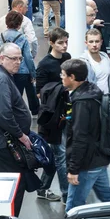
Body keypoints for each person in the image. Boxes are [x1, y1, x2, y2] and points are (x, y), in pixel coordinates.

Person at [62, 59, 110, 212]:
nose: (61, 78)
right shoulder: (93, 92)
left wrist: (74, 169)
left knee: (73, 208)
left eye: (63, 75)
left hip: (86, 164)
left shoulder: (82, 103)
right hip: (98, 158)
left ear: (72, 77)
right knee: (108, 196)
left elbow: (80, 138)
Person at [0, 43, 32, 216]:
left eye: (20, 58)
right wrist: (21, 135)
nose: (18, 62)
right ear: (2, 58)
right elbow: (3, 114)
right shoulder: (0, 78)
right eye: (13, 59)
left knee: (8, 185)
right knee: (14, 187)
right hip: (2, 142)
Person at [80, 29, 110, 190]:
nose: (94, 44)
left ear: (101, 42)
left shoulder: (106, 57)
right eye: (91, 42)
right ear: (86, 43)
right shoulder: (84, 61)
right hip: (93, 108)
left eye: (97, 41)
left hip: (109, 105)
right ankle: (90, 178)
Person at [35, 27, 71, 203]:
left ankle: (43, 188)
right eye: (60, 43)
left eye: (66, 42)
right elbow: (40, 93)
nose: (64, 46)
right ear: (51, 43)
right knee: (60, 154)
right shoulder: (44, 65)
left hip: (67, 112)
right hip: (52, 117)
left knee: (57, 154)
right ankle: (66, 194)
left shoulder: (67, 58)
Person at [0, 11, 39, 116]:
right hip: (21, 71)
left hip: (4, 70)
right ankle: (32, 111)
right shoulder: (22, 38)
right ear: (19, 23)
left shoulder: (1, 36)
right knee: (20, 95)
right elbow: (28, 57)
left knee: (7, 95)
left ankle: (9, 113)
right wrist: (33, 73)